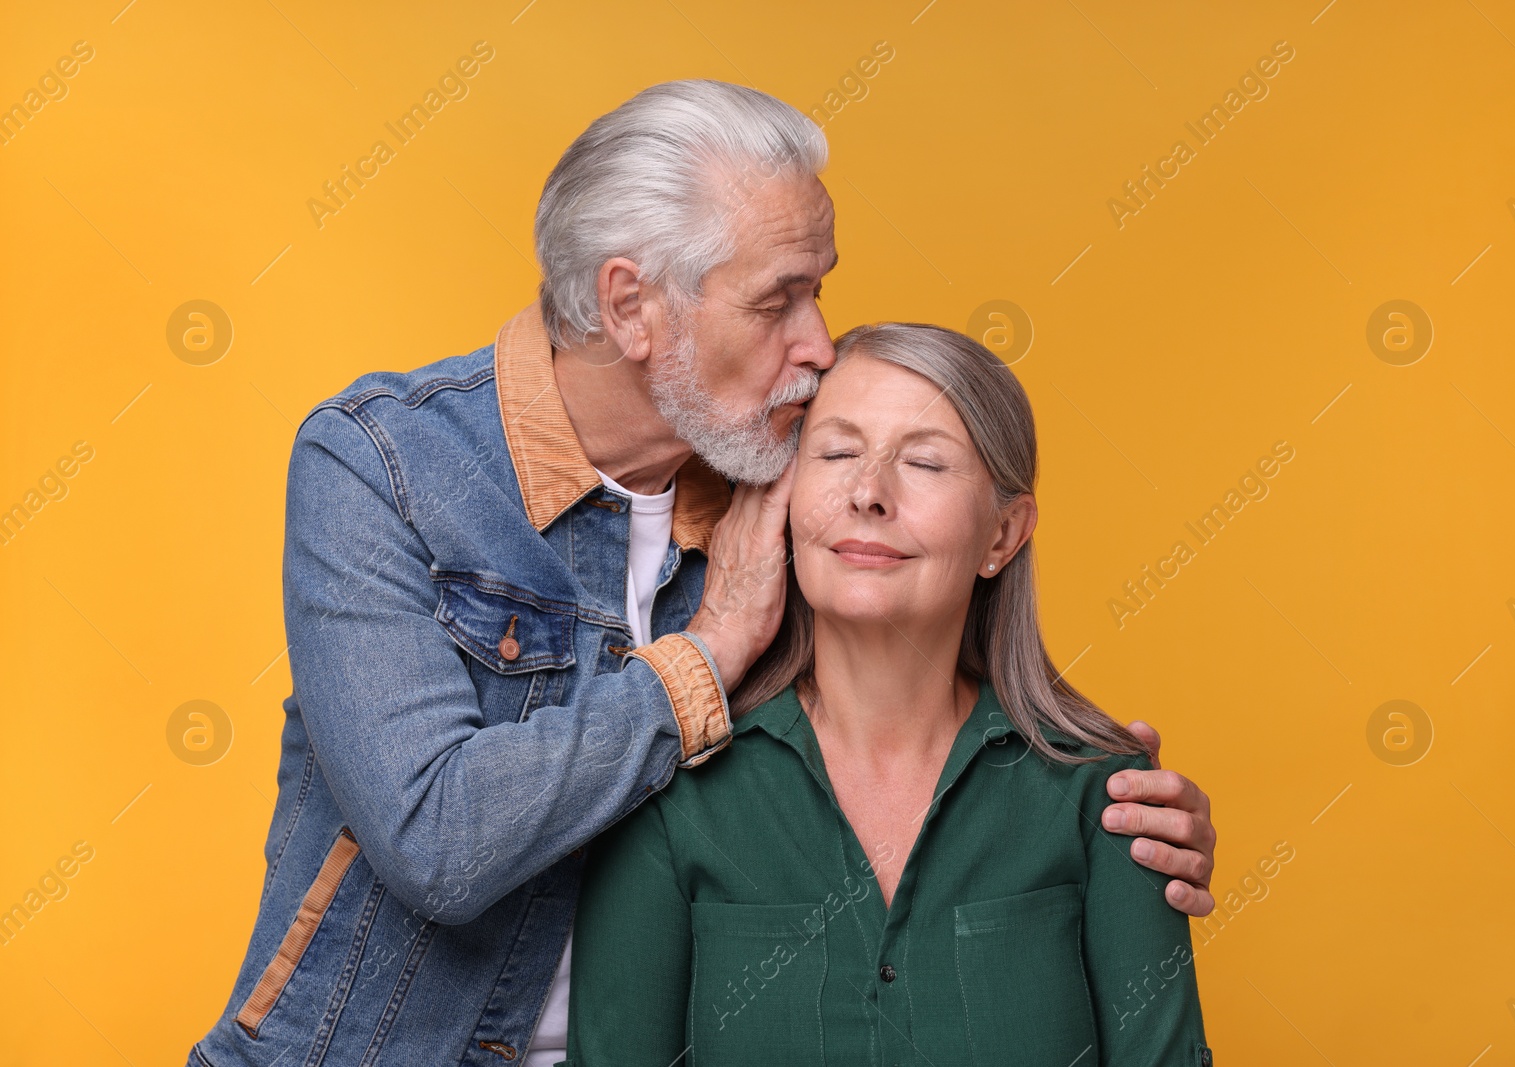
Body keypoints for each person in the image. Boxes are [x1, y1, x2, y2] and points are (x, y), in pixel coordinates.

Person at [188, 82, 1216, 1067]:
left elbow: (920, 646)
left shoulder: (779, 478)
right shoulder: (382, 466)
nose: (817, 344)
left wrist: (1103, 820)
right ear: (631, 306)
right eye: (781, 299)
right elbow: (439, 842)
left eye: (819, 289)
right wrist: (709, 649)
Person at [562, 323, 1211, 1066]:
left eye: (926, 462)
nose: (868, 492)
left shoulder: (1111, 798)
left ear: (1003, 534)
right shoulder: (670, 790)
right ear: (781, 500)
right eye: (836, 453)